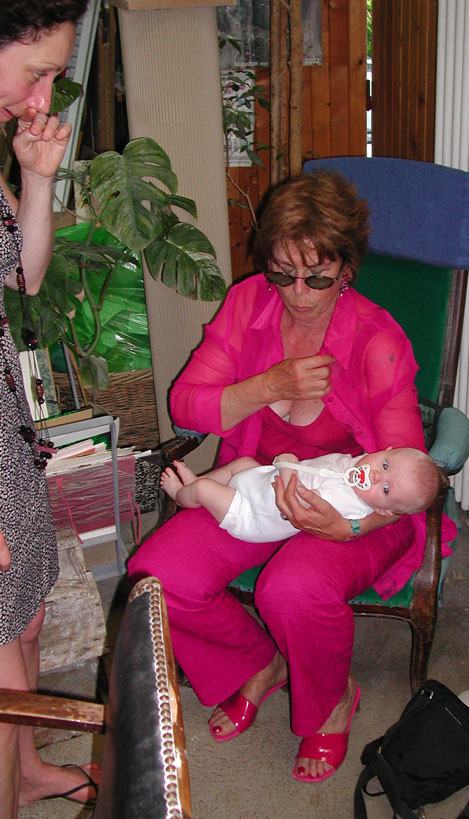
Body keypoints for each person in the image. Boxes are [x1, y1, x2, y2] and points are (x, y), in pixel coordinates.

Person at [129, 169, 457, 783]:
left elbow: (403, 472)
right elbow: (186, 405)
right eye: (282, 273)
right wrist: (265, 387)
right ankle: (259, 665)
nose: (298, 292)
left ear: (347, 269)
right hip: (258, 489)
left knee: (292, 588)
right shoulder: (248, 303)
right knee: (158, 574)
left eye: (318, 277)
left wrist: (347, 526)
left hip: (362, 506)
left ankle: (332, 700)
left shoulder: (377, 339)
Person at [0, 1, 100, 814]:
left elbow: (21, 278)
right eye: (39, 73)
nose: (44, 99)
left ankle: (27, 768)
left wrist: (36, 179)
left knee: (25, 620)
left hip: (8, 432)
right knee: (0, 681)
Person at [160, 446, 440, 542]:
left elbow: (296, 499)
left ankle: (182, 495)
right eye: (385, 465)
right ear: (386, 450)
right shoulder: (354, 462)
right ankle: (195, 482)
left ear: (384, 511)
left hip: (251, 512)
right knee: (241, 465)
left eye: (386, 489)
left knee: (205, 491)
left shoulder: (348, 504)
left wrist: (286, 463)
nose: (376, 476)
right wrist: (283, 467)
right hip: (262, 481)